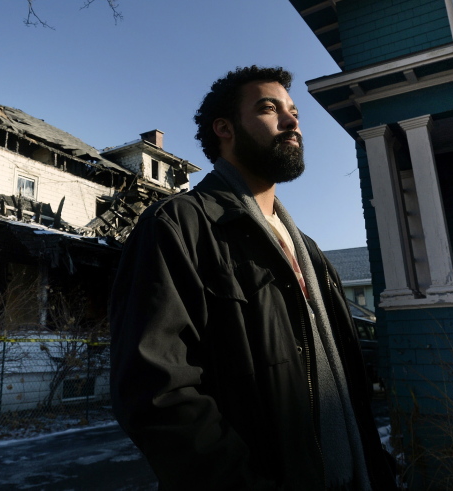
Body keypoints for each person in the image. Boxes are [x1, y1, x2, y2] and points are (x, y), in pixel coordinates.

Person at [109, 66, 397, 490]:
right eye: (269, 108)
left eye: (294, 111)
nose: (292, 120)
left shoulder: (310, 252)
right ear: (224, 129)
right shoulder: (178, 226)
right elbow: (158, 392)